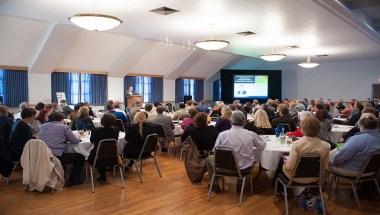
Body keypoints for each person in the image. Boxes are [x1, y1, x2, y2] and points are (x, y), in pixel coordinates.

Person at [207, 111, 266, 192]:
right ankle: (239, 179)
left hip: (224, 167)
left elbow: (215, 151)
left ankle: (214, 184)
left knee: (209, 158)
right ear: (244, 122)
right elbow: (262, 146)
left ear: (230, 121)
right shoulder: (251, 134)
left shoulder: (222, 135)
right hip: (244, 168)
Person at [38, 112, 84, 186]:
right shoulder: (64, 127)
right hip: (55, 156)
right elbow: (74, 141)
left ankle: (64, 174)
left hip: (42, 154)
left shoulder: (42, 126)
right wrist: (79, 139)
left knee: (70, 154)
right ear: (61, 119)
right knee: (80, 157)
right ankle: (73, 180)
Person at [279, 117, 330, 184]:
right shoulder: (326, 146)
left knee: (281, 161)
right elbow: (326, 166)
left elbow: (289, 167)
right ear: (318, 129)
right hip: (316, 177)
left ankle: (282, 190)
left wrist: (285, 162)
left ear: (302, 129)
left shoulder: (296, 144)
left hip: (295, 177)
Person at [89, 113, 119, 182]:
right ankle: (103, 173)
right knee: (104, 152)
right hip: (113, 157)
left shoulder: (95, 130)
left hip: (96, 158)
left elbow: (91, 141)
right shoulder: (116, 130)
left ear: (102, 121)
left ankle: (102, 173)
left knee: (97, 153)